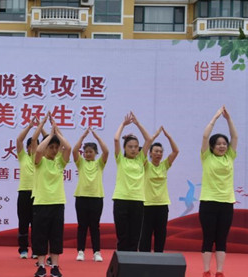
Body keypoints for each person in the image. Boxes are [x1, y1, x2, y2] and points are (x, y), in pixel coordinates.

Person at [199, 106, 238, 277]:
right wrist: (215, 118)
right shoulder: (206, 157)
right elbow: (205, 136)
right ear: (212, 146)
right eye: (219, 144)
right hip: (208, 202)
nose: (222, 146)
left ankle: (220, 272)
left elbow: (235, 137)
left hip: (226, 203)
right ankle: (206, 271)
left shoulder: (230, 157)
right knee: (208, 237)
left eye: (224, 144)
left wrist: (228, 119)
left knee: (222, 238)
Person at [30, 114, 71, 277]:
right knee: (40, 235)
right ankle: (41, 266)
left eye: (56, 148)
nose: (54, 150)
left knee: (56, 235)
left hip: (57, 203)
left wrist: (56, 132)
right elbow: (39, 149)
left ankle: (55, 266)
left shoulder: (60, 162)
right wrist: (49, 135)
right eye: (51, 147)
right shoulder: (39, 162)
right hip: (41, 203)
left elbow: (68, 148)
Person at [112, 112, 152, 251]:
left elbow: (149, 139)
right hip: (121, 200)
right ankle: (121, 262)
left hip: (137, 200)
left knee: (135, 237)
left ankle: (132, 262)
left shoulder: (141, 159)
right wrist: (123, 124)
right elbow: (116, 139)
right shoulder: (120, 159)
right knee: (122, 236)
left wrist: (137, 124)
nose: (133, 149)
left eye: (136, 146)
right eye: (130, 146)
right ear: (124, 148)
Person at [139, 127, 179, 253]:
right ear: (150, 153)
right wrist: (153, 137)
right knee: (145, 234)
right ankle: (144, 258)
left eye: (161, 152)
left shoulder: (164, 165)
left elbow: (176, 151)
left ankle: (159, 257)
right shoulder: (146, 165)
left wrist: (169, 137)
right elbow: (143, 152)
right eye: (156, 151)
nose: (158, 154)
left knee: (161, 234)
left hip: (162, 204)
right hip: (147, 205)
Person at [73, 126, 109, 262]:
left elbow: (106, 151)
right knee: (82, 226)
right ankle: (80, 251)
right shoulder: (81, 163)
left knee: (95, 226)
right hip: (81, 197)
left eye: (91, 152)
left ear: (95, 153)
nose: (88, 154)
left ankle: (96, 252)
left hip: (96, 198)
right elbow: (74, 151)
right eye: (86, 152)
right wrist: (82, 137)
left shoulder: (99, 164)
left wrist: (97, 137)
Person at [15, 121, 40, 259]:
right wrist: (30, 126)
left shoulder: (41, 159)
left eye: (35, 145)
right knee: (23, 223)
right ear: (27, 147)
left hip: (37, 194)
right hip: (24, 193)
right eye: (30, 146)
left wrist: (41, 127)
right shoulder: (23, 157)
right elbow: (19, 140)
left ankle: (36, 250)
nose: (33, 148)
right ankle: (23, 249)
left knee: (36, 224)